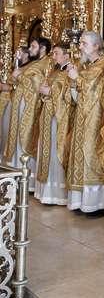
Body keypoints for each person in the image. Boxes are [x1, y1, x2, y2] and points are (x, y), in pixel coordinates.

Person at [66, 32, 104, 218]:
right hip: (82, 118)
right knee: (80, 155)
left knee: (92, 154)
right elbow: (79, 96)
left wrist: (77, 78)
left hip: (96, 117)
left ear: (96, 47)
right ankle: (81, 201)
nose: (80, 47)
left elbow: (95, 93)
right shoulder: (87, 67)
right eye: (80, 43)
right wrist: (74, 79)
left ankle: (97, 204)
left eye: (84, 43)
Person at [2, 37, 51, 190]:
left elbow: (35, 85)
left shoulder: (46, 64)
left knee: (26, 141)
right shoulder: (35, 64)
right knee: (17, 141)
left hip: (30, 110)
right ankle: (15, 177)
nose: (30, 50)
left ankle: (27, 181)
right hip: (21, 109)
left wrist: (20, 76)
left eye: (33, 46)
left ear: (42, 48)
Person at [35, 43, 74, 206]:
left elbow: (69, 98)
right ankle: (45, 192)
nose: (53, 57)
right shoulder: (55, 73)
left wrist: (50, 92)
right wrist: (44, 93)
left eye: (56, 53)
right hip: (48, 118)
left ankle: (58, 194)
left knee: (55, 154)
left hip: (60, 120)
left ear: (67, 55)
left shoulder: (71, 73)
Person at [0, 48, 30, 162]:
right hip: (6, 108)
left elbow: (25, 89)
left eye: (17, 53)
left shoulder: (28, 70)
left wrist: (9, 88)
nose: (14, 55)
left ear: (26, 55)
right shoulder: (17, 69)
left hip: (17, 109)